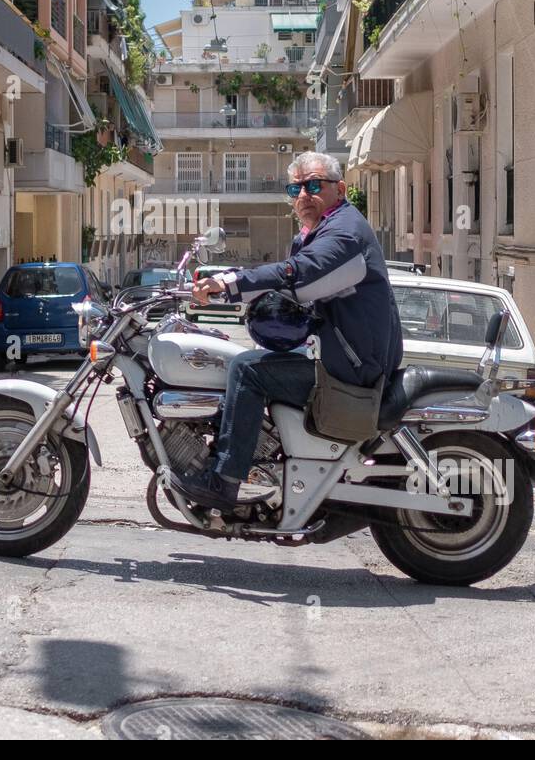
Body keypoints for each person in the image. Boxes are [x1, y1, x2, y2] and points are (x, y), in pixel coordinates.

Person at [169, 152, 404, 513]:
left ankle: (224, 480)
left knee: (247, 370)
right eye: (295, 188)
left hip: (351, 364)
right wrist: (225, 283)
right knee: (232, 354)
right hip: (338, 353)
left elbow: (302, 273)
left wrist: (229, 283)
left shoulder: (344, 231)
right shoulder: (319, 231)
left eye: (314, 185)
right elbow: (288, 283)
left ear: (339, 189)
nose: (303, 195)